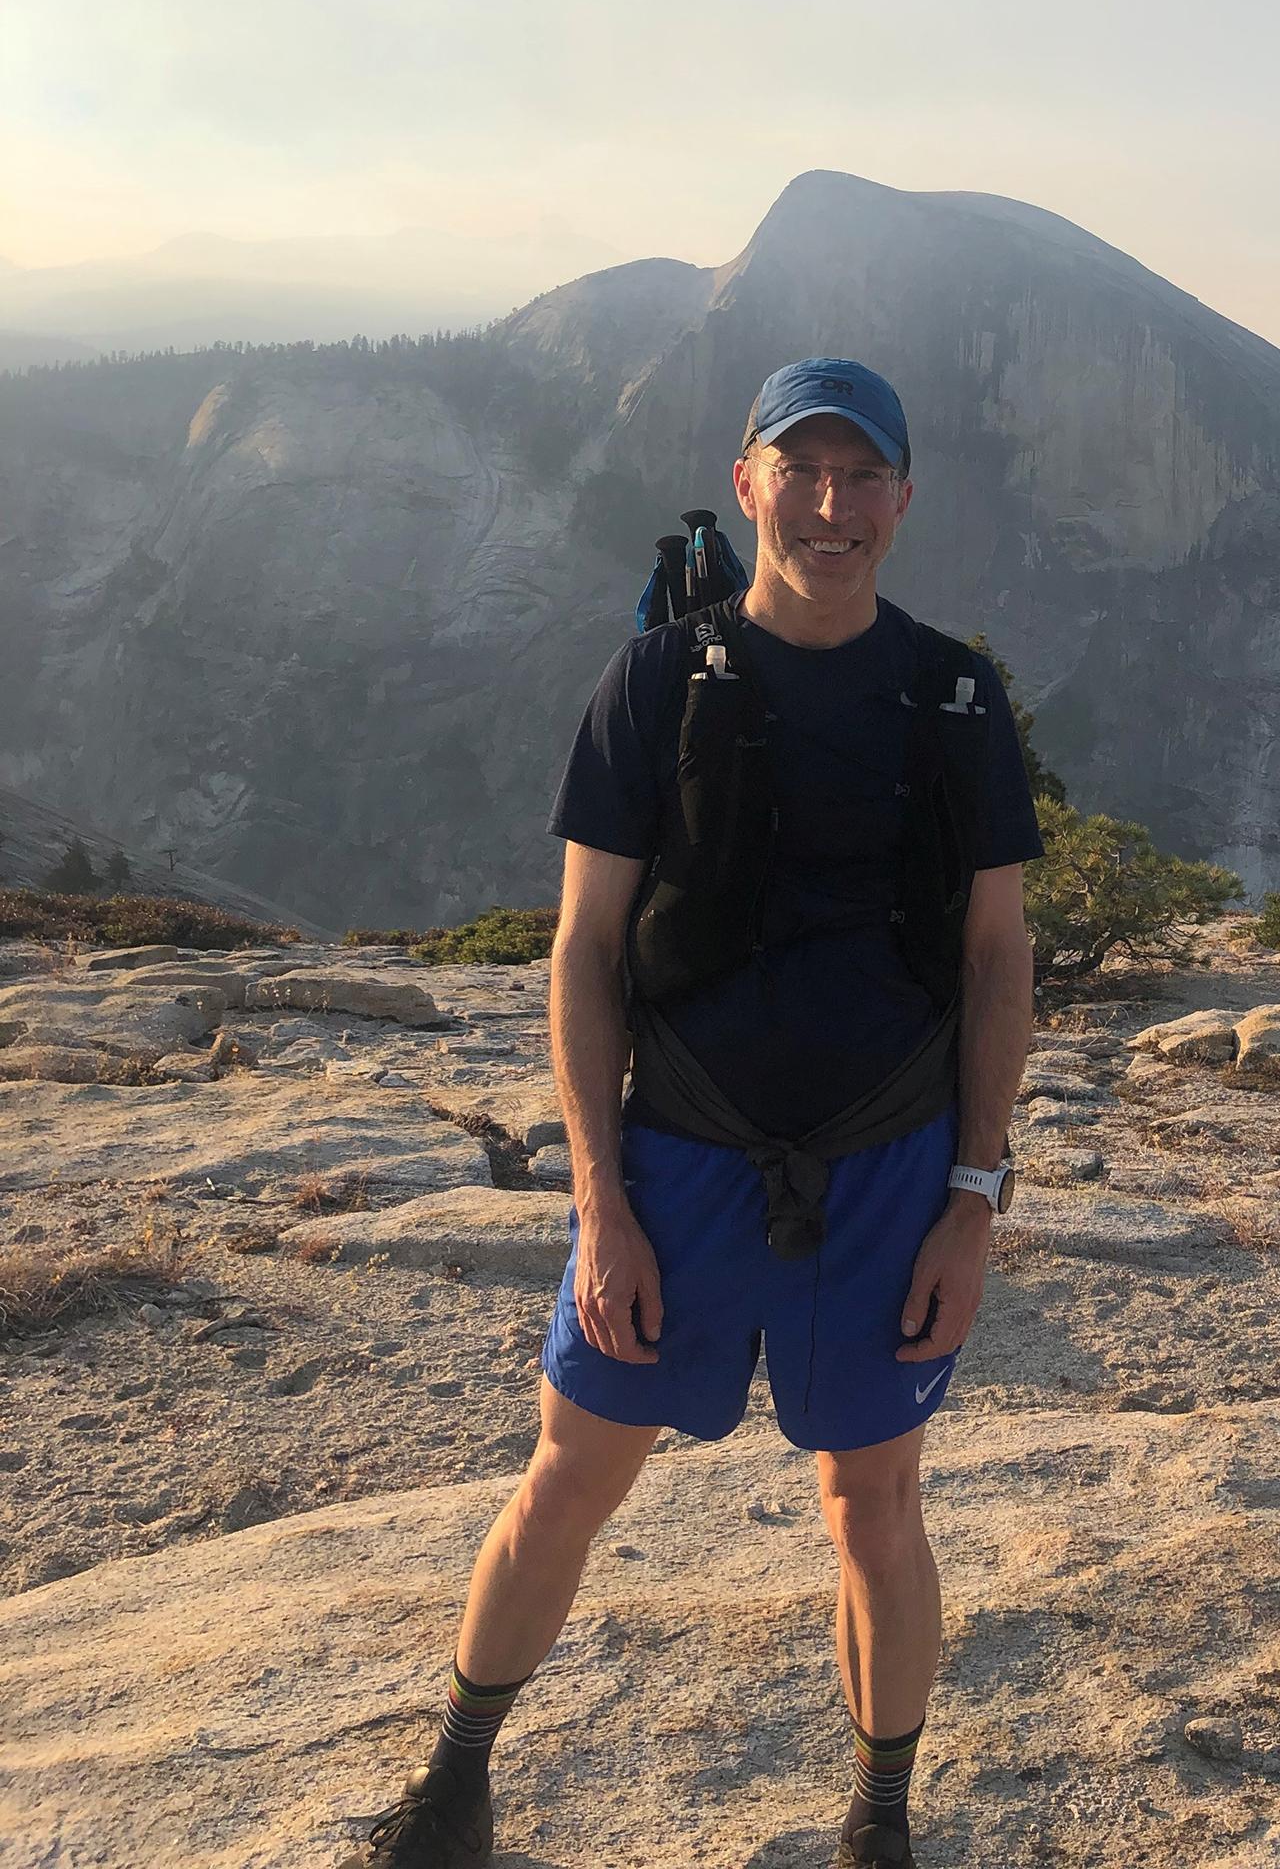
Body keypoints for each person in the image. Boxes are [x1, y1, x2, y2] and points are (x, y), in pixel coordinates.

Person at [348, 358, 1042, 1869]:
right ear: (749, 486)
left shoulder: (956, 693)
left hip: (890, 1173)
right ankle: (456, 1776)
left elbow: (998, 961)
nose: (835, 504)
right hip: (676, 1166)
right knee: (574, 1474)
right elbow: (585, 952)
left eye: (866, 476)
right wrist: (601, 1201)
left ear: (905, 502)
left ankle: (879, 1823)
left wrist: (974, 1202)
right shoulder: (660, 681)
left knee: (877, 1503)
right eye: (804, 470)